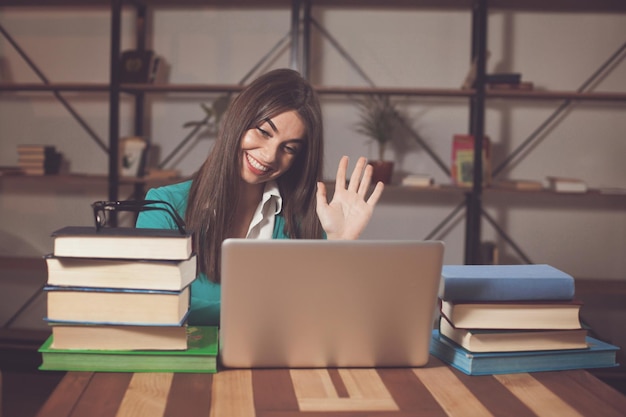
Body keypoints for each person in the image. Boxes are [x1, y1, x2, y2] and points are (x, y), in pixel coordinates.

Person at [136, 68, 384, 326]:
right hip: (197, 364)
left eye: (288, 149)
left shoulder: (308, 222)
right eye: (264, 132)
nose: (268, 156)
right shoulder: (164, 207)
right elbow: (155, 301)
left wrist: (340, 246)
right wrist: (272, 312)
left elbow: (329, 318)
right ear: (238, 121)